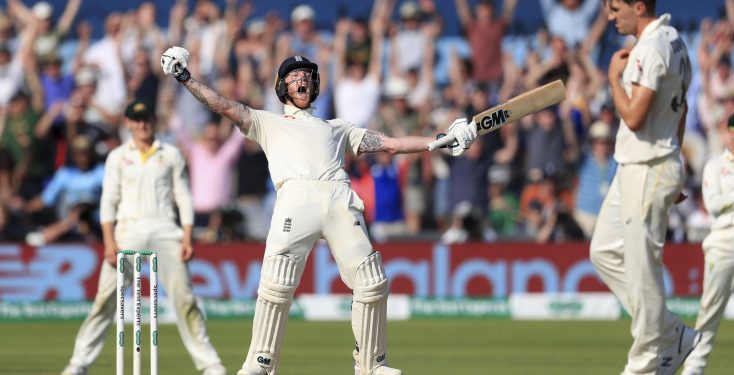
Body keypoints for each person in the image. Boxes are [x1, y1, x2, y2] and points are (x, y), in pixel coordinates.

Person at [160, 46, 477, 375]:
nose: (303, 80)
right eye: (295, 76)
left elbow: (392, 144)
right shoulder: (267, 122)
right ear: (283, 86)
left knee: (372, 282)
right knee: (277, 285)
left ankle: (371, 365)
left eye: (308, 76)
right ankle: (259, 363)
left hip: (339, 195)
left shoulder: (338, 128)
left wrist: (440, 139)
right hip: (295, 197)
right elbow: (222, 104)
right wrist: (185, 77)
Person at [61, 100, 226, 375]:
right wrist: (109, 241)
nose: (142, 124)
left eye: (146, 118)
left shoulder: (170, 154)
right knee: (105, 298)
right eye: (136, 120)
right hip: (128, 232)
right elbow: (109, 201)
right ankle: (79, 362)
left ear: (154, 121)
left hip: (165, 231)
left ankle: (210, 364)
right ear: (128, 123)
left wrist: (187, 237)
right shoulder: (117, 156)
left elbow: (183, 197)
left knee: (184, 299)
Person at [589, 1, 701, 374]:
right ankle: (673, 334)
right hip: (639, 164)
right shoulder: (675, 41)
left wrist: (611, 81)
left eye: (616, 7)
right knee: (604, 251)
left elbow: (635, 117)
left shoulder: (650, 48)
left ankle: (643, 364)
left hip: (648, 167)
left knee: (643, 272)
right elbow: (680, 111)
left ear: (639, 5)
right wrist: (677, 161)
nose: (610, 15)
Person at [681, 111, 734, 375]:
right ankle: (693, 370)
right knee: (709, 311)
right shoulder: (714, 165)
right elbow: (715, 205)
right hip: (725, 240)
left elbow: (726, 200)